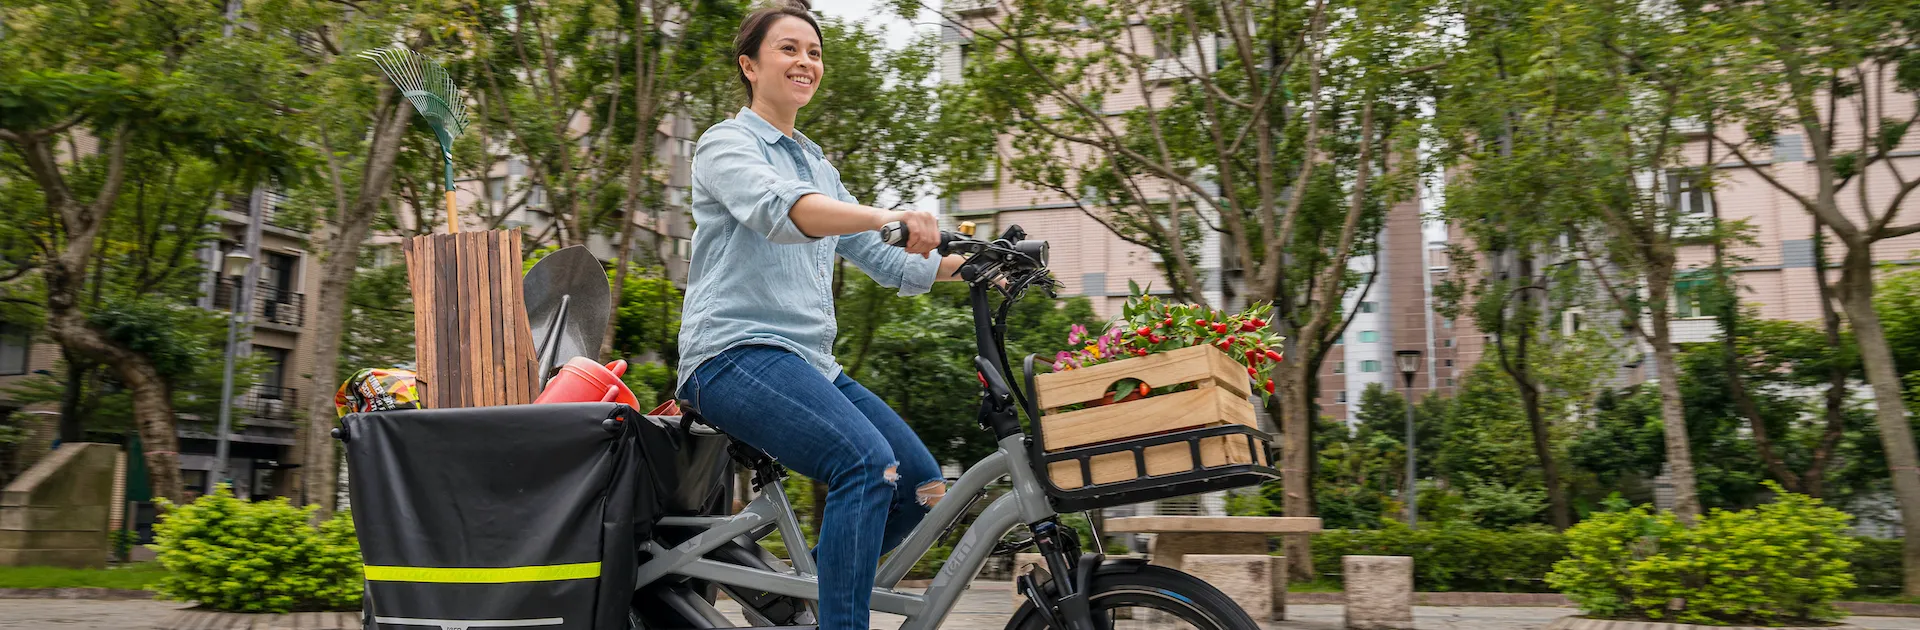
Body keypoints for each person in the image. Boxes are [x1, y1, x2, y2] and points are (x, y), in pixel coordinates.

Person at [673, 2, 965, 629]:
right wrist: (891, 215)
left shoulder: (819, 166)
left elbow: (882, 256)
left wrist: (978, 262)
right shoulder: (726, 144)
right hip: (732, 355)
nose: (805, 61)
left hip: (810, 364)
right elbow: (785, 211)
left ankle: (819, 596)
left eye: (814, 52)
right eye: (789, 49)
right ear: (750, 66)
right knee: (865, 462)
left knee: (921, 486)